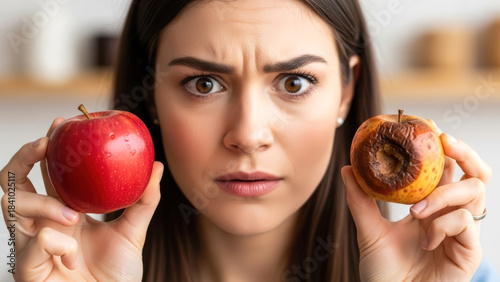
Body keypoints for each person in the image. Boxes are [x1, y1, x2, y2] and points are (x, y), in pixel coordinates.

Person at [0, 0, 495, 281]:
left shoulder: (458, 275)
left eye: (294, 82)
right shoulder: (55, 274)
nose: (248, 135)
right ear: (149, 95)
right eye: (204, 84)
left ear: (346, 92)